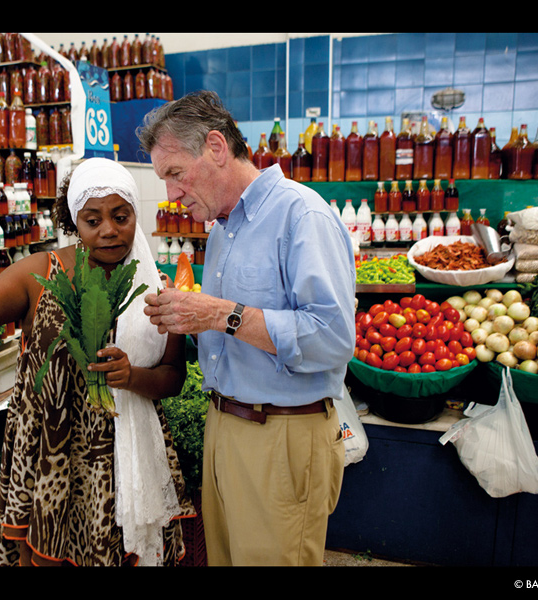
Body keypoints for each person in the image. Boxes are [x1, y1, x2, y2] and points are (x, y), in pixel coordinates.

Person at [0, 157, 194, 567]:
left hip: (125, 455)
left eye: (121, 217)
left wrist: (132, 376)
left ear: (135, 213)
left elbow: (173, 378)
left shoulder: (154, 286)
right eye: (92, 220)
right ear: (74, 222)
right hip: (53, 451)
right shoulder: (39, 274)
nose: (108, 231)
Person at [138, 91, 356, 566]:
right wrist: (181, 317)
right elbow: (222, 331)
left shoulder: (302, 215)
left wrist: (220, 315)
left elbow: (334, 339)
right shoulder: (220, 232)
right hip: (225, 426)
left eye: (175, 174)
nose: (171, 194)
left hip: (282, 435)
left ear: (216, 147)